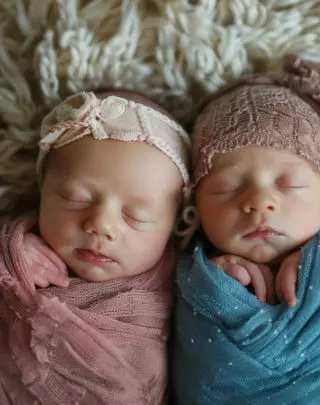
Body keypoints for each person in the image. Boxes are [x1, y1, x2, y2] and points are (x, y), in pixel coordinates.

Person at [172, 55, 320, 404]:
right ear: (195, 203)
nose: (259, 202)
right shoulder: (188, 277)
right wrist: (213, 287)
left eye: (288, 184)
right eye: (226, 187)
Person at [0, 90, 191, 404]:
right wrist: (10, 255)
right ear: (43, 192)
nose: (102, 225)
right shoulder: (17, 252)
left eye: (136, 216)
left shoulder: (185, 281)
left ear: (173, 226)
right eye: (77, 199)